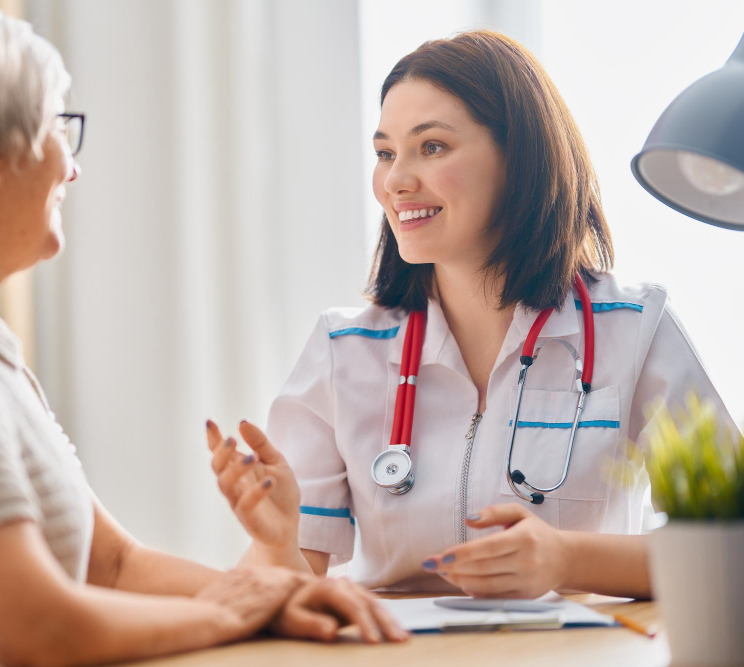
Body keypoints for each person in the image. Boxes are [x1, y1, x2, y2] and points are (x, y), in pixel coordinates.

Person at [0, 2, 406, 665]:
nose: (72, 168)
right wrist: (232, 610)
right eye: (58, 127)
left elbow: (109, 563)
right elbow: (36, 629)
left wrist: (275, 597)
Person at [207, 30, 740, 598]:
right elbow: (288, 581)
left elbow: (730, 549)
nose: (395, 181)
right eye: (385, 153)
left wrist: (567, 559)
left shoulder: (634, 329)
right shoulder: (344, 353)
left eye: (431, 147)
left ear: (519, 157)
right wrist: (272, 542)